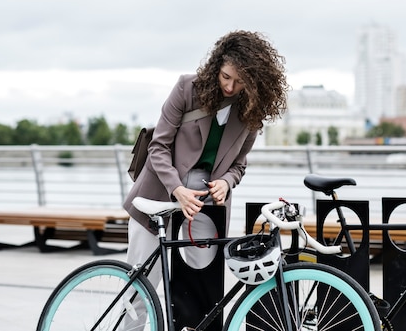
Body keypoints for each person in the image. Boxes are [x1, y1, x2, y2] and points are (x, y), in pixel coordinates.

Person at [122, 30, 289, 328]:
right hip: (160, 191)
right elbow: (158, 146)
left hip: (206, 202)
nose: (230, 86)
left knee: (202, 283)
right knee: (141, 289)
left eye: (240, 82)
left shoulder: (251, 111)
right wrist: (176, 189)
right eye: (226, 76)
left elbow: (239, 164)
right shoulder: (187, 87)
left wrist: (226, 181)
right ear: (217, 66)